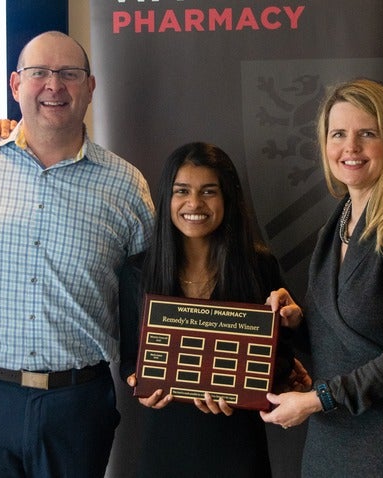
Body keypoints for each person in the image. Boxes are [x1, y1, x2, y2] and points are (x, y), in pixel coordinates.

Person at [0, 31, 155, 477]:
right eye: (39, 73)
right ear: (16, 85)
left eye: (69, 73)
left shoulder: (127, 185)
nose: (54, 85)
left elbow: (154, 285)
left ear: (90, 87)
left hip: (77, 405)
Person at [261, 78, 383, 477]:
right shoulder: (338, 221)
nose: (350, 147)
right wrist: (297, 322)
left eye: (367, 133)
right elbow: (343, 341)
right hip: (328, 442)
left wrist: (319, 398)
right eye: (338, 134)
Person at [118, 142, 297, 477]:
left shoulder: (259, 266)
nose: (194, 204)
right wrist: (137, 384)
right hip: (166, 445)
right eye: (182, 191)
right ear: (167, 198)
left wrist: (243, 386)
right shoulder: (138, 272)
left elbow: (283, 358)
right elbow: (130, 358)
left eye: (209, 191)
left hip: (238, 445)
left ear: (227, 198)